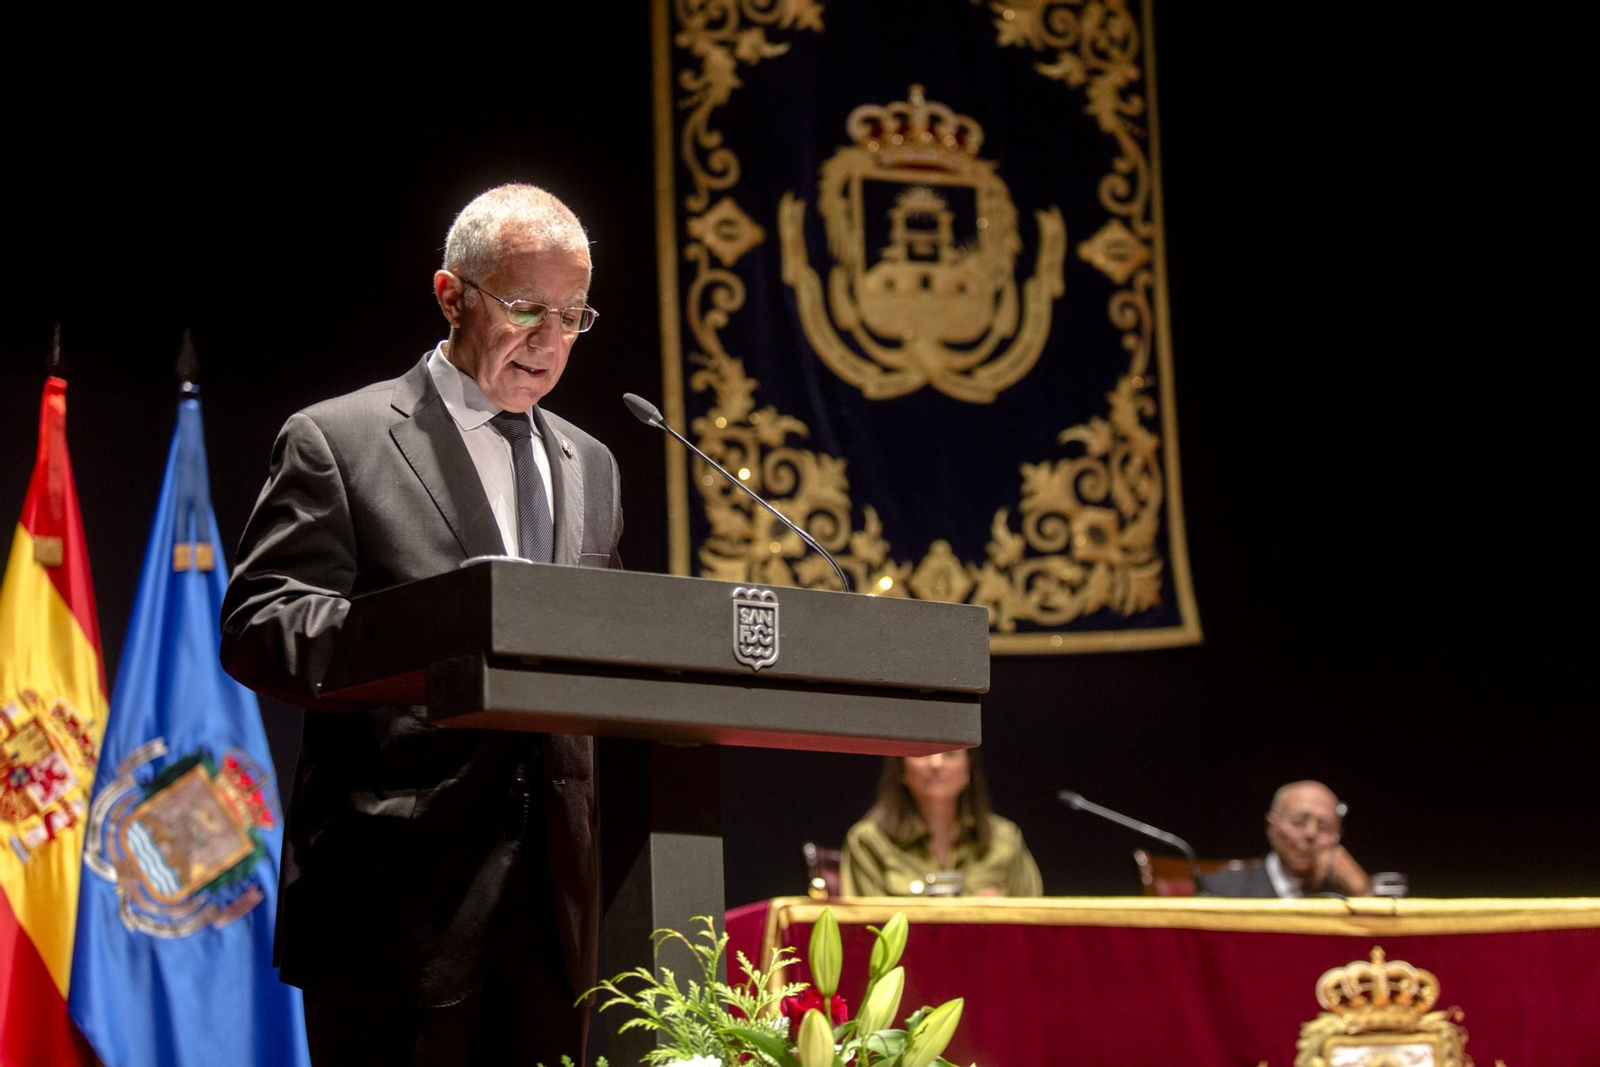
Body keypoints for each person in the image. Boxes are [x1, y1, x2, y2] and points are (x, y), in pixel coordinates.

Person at [220, 184, 622, 1066]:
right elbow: (261, 621)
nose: (550, 342)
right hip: (394, 900)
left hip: (554, 910)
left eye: (574, 315)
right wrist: (440, 636)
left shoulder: (591, 461)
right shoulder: (339, 439)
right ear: (451, 295)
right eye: (525, 309)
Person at [840, 749, 1043, 897]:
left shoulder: (1005, 839)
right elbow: (865, 935)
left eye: (950, 753)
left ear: (968, 767)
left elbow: (1034, 930)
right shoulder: (868, 841)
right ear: (900, 767)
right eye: (923, 752)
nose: (936, 763)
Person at [1199, 780, 1372, 898]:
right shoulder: (1221, 890)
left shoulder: (1347, 894)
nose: (1310, 834)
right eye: (1298, 822)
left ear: (1338, 835)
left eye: (1324, 827)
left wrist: (1363, 892)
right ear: (1271, 827)